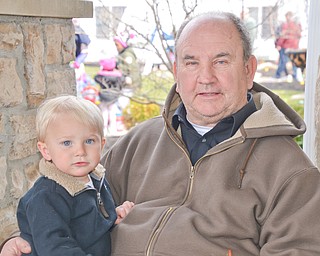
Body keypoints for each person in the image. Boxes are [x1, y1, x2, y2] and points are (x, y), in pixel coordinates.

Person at [2, 11, 320, 256]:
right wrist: (22, 240)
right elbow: (65, 206)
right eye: (191, 63)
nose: (205, 78)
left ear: (248, 70)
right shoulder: (137, 143)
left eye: (221, 61)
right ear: (176, 70)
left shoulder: (291, 172)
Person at [13, 95, 134, 256]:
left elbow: (87, 225)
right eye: (67, 143)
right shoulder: (46, 196)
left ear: (102, 144)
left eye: (89, 141)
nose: (80, 152)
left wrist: (113, 217)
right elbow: (55, 248)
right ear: (46, 150)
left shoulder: (96, 179)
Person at [274, 11, 302, 81]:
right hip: (295, 47)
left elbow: (283, 36)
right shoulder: (297, 25)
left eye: (287, 16)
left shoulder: (286, 25)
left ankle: (278, 75)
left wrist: (279, 45)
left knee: (282, 61)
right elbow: (299, 36)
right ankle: (294, 76)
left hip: (286, 46)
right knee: (294, 62)